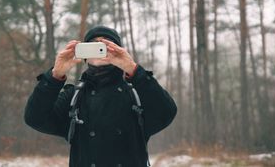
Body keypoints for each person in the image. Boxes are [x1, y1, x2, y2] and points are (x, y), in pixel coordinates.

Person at [24, 25, 177, 167]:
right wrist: (55, 76)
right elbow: (35, 118)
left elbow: (166, 113)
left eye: (105, 46)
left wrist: (134, 70)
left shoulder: (136, 93)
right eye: (92, 45)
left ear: (118, 51)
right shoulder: (74, 96)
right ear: (84, 53)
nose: (98, 49)